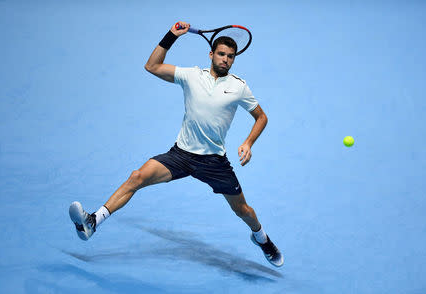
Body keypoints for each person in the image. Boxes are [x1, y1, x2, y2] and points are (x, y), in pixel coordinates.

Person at [69, 21, 283, 267]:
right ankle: (93, 222)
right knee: (136, 177)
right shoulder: (191, 75)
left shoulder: (238, 86)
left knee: (243, 210)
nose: (226, 60)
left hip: (214, 161)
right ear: (211, 54)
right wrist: (171, 36)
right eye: (222, 54)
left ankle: (261, 237)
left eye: (231, 57)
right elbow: (152, 66)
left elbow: (261, 117)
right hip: (181, 155)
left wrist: (248, 142)